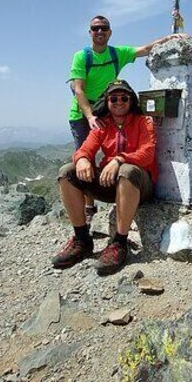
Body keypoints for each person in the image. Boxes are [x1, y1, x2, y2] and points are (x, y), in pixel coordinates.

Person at [67, 15, 177, 223]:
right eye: (95, 28)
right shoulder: (82, 56)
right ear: (90, 32)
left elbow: (144, 49)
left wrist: (172, 38)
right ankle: (89, 208)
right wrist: (90, 116)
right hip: (83, 112)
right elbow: (78, 89)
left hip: (107, 106)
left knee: (114, 151)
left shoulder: (117, 53)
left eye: (104, 28)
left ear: (110, 32)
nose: (99, 32)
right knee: (84, 159)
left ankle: (119, 188)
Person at [53, 80, 157, 275]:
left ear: (131, 100)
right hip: (111, 185)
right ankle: (82, 239)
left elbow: (148, 153)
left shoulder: (144, 122)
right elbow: (85, 149)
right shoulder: (103, 125)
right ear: (107, 101)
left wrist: (119, 159)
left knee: (127, 170)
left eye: (124, 98)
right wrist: (82, 159)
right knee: (67, 172)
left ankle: (119, 243)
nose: (119, 102)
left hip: (139, 185)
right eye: (114, 98)